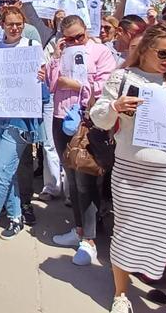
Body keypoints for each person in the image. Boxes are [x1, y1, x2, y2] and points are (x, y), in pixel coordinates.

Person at [88, 23, 166, 313]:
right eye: (163, 53)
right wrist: (116, 106)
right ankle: (121, 294)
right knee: (128, 233)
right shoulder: (123, 77)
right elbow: (98, 117)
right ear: (146, 49)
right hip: (132, 171)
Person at [49, 14, 117, 264]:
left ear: (86, 31)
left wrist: (77, 86)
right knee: (70, 173)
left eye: (80, 36)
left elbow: (106, 84)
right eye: (70, 38)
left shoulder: (100, 52)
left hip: (88, 119)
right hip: (61, 117)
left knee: (85, 178)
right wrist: (57, 57)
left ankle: (90, 239)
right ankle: (78, 229)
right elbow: (51, 83)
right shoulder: (62, 52)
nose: (76, 41)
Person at [0, 5, 45, 244]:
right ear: (2, 25)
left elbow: (44, 89)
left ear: (23, 25)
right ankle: (15, 216)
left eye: (18, 24)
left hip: (20, 118)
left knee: (2, 166)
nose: (14, 27)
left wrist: (43, 78)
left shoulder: (33, 48)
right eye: (10, 23)